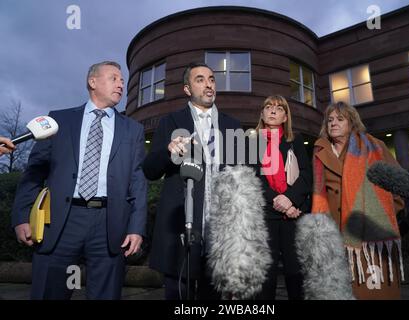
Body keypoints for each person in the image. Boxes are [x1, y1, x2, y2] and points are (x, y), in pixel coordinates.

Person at [11, 61, 148, 300]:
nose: (121, 84)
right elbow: (34, 171)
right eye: (114, 78)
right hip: (60, 221)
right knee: (48, 292)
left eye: (122, 80)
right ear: (92, 82)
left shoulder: (133, 130)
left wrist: (136, 228)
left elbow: (137, 180)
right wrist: (22, 216)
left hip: (109, 223)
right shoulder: (58, 120)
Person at [142, 62, 241, 300]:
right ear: (187, 89)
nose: (208, 84)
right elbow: (150, 169)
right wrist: (168, 152)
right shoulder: (171, 122)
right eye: (200, 79)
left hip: (220, 230)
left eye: (211, 79)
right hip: (181, 230)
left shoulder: (233, 125)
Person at [311, 101, 405, 299]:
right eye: (330, 120)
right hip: (334, 235)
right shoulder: (320, 152)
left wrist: (381, 215)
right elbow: (319, 193)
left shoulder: (373, 147)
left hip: (369, 232)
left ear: (352, 123)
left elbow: (398, 183)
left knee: (374, 291)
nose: (333, 123)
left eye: (339, 119)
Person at [248, 95, 312, 300]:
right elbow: (253, 178)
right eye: (268, 106)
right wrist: (280, 202)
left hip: (294, 215)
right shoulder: (251, 142)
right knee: (266, 276)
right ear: (262, 113)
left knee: (296, 273)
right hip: (265, 216)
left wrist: (290, 200)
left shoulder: (296, 141)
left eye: (279, 108)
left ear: (285, 116)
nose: (273, 110)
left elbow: (305, 175)